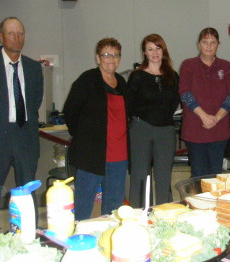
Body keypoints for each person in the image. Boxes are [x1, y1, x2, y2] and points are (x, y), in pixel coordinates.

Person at [0, 17, 44, 232]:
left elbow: (35, 101)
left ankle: (29, 236)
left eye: (21, 33)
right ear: (1, 37)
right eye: (11, 33)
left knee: (28, 191)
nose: (17, 38)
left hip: (25, 137)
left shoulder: (34, 68)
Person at [63, 38, 128, 220]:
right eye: (106, 55)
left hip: (119, 155)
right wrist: (84, 137)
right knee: (84, 203)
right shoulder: (87, 79)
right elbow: (70, 111)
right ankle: (78, 240)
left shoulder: (122, 82)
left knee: (114, 207)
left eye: (115, 55)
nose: (111, 59)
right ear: (98, 58)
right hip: (92, 154)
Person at [179, 27, 230, 177]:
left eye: (213, 42)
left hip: (219, 131)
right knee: (198, 175)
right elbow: (185, 93)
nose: (208, 46)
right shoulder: (188, 65)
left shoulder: (226, 66)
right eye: (205, 42)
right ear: (199, 44)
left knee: (216, 175)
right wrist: (204, 116)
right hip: (195, 130)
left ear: (218, 45)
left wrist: (217, 118)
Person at [127, 34, 179, 208]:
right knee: (140, 175)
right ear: (145, 53)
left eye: (158, 48)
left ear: (163, 50)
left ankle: (164, 215)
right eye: (150, 49)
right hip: (141, 129)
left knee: (163, 177)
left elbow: (174, 103)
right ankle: (139, 216)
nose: (155, 52)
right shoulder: (137, 77)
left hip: (165, 131)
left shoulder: (173, 76)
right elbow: (129, 104)